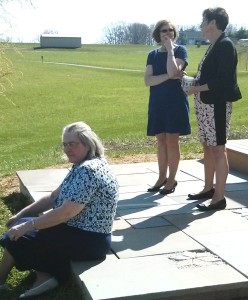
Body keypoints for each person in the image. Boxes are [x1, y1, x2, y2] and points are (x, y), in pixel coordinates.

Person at [0, 121, 119, 298]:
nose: (67, 149)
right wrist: (21, 215)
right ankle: (35, 275)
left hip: (89, 239)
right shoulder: (83, 165)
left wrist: (28, 226)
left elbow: (66, 212)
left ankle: (45, 276)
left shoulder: (89, 171)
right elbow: (53, 197)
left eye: (73, 144)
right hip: (80, 232)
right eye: (65, 144)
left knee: (18, 237)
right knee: (18, 231)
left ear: (88, 144)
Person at [187, 7, 242, 210]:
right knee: (208, 147)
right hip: (205, 105)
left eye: (203, 20)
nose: (201, 24)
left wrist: (196, 88)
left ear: (212, 23)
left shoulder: (226, 45)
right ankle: (208, 188)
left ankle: (219, 198)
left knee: (219, 149)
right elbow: (209, 75)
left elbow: (223, 80)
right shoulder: (213, 45)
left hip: (216, 104)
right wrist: (191, 82)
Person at [144, 19, 191, 195]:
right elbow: (148, 80)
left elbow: (174, 70)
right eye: (164, 31)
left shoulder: (180, 50)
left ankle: (172, 179)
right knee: (161, 141)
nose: (168, 33)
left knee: (172, 141)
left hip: (175, 102)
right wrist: (169, 76)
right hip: (157, 103)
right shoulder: (152, 54)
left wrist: (171, 51)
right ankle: (161, 177)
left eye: (171, 30)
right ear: (158, 33)